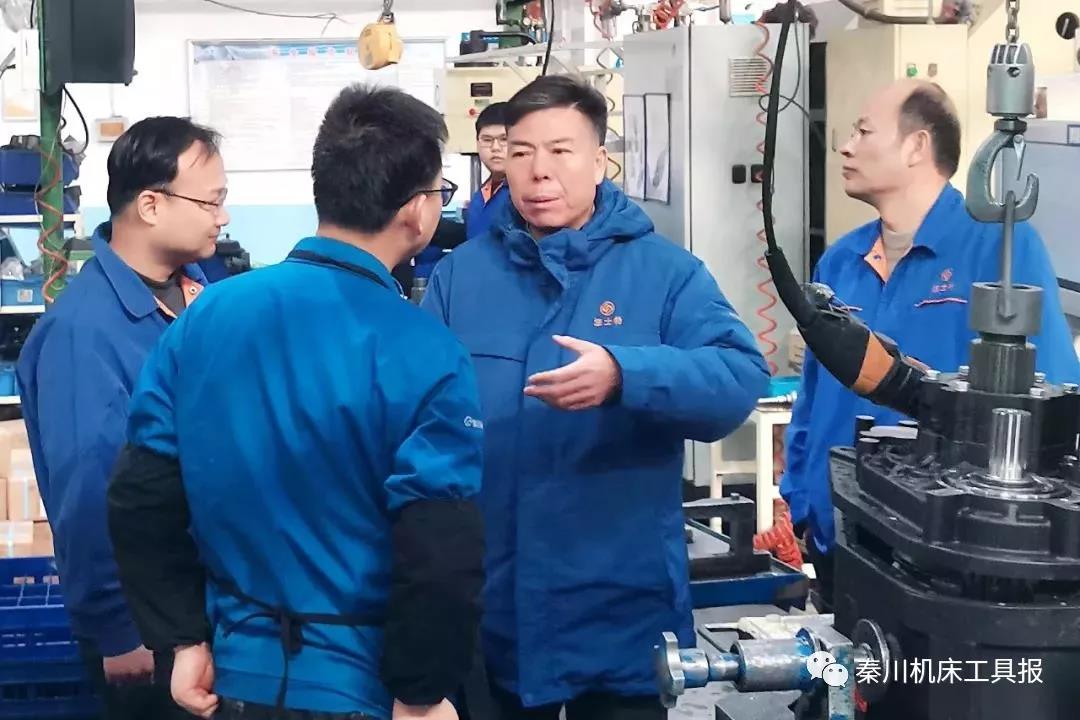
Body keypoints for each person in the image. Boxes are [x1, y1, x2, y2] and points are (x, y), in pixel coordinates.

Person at [106, 84, 485, 720]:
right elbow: (440, 552)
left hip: (234, 677)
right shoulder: (428, 351)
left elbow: (141, 497)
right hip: (361, 687)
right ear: (417, 212)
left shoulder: (206, 317)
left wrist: (184, 638)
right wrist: (421, 692)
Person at [422, 74, 770, 720]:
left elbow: (738, 378)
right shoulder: (460, 277)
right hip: (495, 611)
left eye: (561, 151)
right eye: (521, 152)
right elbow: (423, 424)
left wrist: (625, 374)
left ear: (601, 161)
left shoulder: (665, 272)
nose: (539, 171)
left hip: (620, 610)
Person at [781, 79, 1080, 612]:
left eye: (863, 131)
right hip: (837, 542)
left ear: (917, 146)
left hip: (937, 565)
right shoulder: (842, 262)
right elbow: (812, 397)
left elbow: (1053, 401)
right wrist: (800, 500)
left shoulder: (1000, 250)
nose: (845, 147)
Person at [16, 116, 228, 720]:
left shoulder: (194, 296)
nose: (223, 217)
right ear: (152, 205)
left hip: (200, 603)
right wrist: (116, 627)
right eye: (211, 201)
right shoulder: (85, 333)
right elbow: (89, 490)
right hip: (146, 626)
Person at [463, 101, 511, 239]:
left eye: (504, 139)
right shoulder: (481, 194)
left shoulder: (526, 196)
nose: (495, 147)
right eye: (487, 140)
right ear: (477, 143)